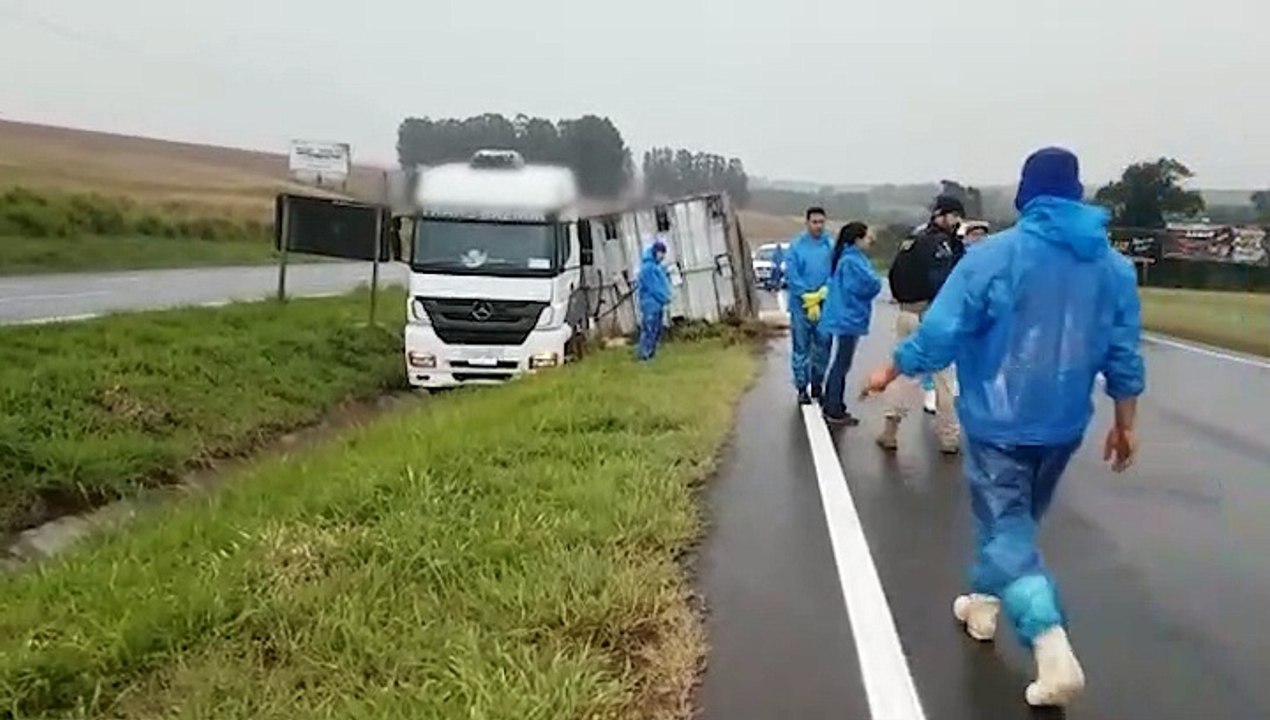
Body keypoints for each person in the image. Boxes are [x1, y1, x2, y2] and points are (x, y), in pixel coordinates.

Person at [860, 147, 1146, 708]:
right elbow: (1124, 354)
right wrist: (1126, 423)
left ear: (1026, 192)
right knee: (1011, 525)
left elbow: (942, 331)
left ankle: (1051, 644)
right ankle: (983, 606)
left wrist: (891, 366)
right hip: (1063, 427)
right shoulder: (1112, 267)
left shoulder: (994, 257)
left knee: (1008, 528)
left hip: (999, 423)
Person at [880, 194, 966, 453]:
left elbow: (894, 275)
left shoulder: (913, 239)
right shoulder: (940, 245)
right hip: (932, 315)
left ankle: (889, 431)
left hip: (907, 312)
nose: (958, 222)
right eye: (955, 216)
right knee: (943, 379)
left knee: (903, 374)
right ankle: (949, 438)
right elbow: (946, 282)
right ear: (945, 215)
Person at [819, 222, 882, 425]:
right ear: (857, 239)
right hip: (849, 316)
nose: (869, 241)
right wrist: (876, 282)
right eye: (866, 237)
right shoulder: (852, 261)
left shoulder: (846, 258)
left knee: (840, 362)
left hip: (844, 315)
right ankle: (834, 407)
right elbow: (867, 285)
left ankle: (832, 402)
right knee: (842, 363)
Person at [785, 207, 835, 405]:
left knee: (823, 346)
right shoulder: (796, 247)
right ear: (807, 223)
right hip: (801, 306)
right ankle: (801, 387)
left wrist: (824, 291)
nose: (818, 226)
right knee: (801, 348)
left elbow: (836, 272)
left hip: (825, 305)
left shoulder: (830, 246)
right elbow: (792, 274)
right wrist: (806, 296)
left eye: (821, 222)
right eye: (814, 222)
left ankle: (817, 383)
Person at [636, 238, 672, 361]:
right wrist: (665, 297)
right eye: (661, 254)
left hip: (657, 304)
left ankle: (650, 353)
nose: (662, 257)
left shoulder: (656, 267)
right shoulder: (648, 268)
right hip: (650, 304)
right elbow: (653, 287)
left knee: (656, 330)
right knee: (650, 329)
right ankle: (644, 354)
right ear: (656, 252)